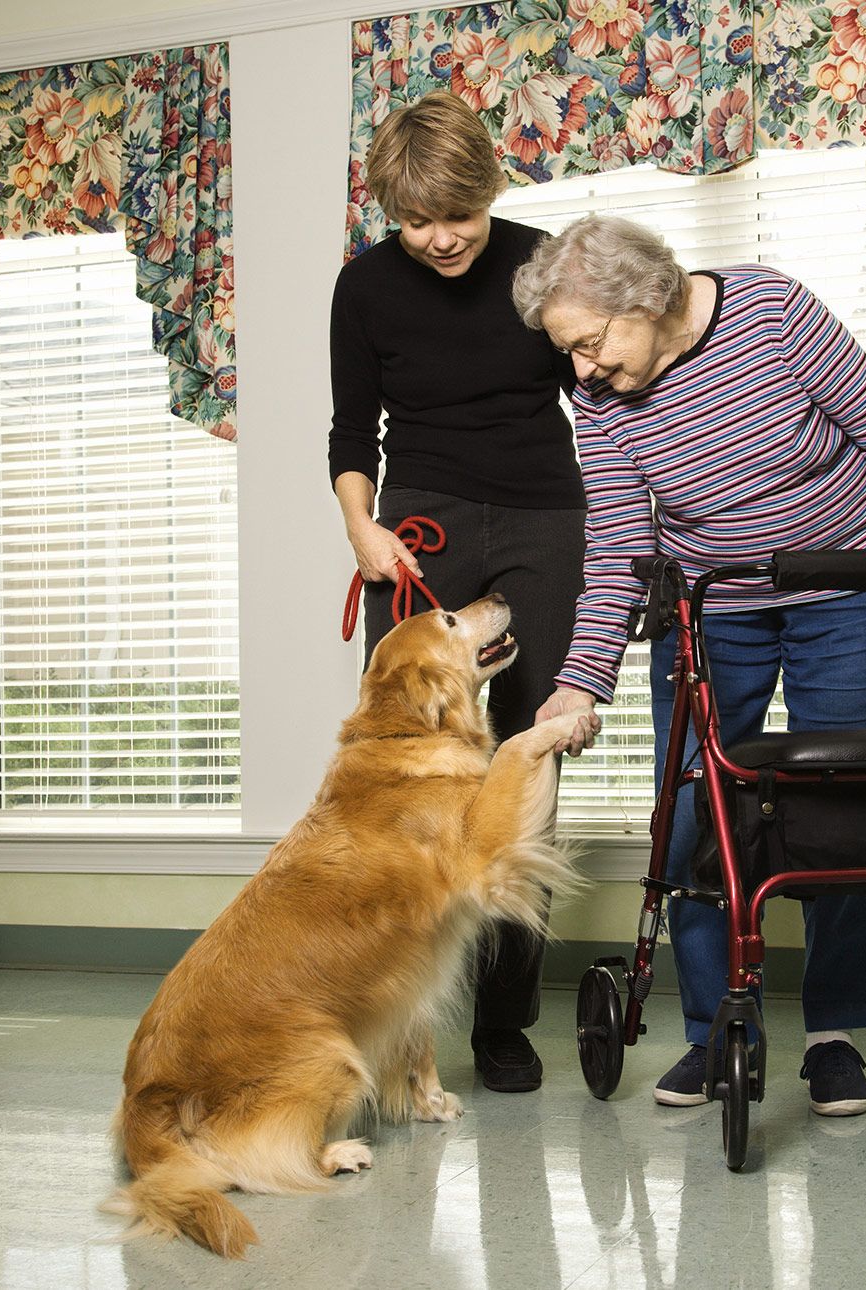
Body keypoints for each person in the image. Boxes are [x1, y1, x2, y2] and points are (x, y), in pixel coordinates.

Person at [512, 214, 866, 1114]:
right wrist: (577, 683)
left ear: (647, 299)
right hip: (714, 608)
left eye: (590, 344)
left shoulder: (773, 313)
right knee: (694, 807)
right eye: (570, 353)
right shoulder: (596, 400)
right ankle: (716, 1029)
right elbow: (620, 552)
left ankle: (835, 1034)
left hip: (853, 588)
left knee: (850, 807)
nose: (583, 370)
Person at [328, 92, 590, 1094]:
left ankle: (505, 1021)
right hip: (421, 526)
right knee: (406, 774)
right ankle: (398, 1024)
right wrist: (362, 527)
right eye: (417, 221)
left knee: (526, 771)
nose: (441, 240)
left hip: (543, 519)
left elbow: (600, 405)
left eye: (460, 217)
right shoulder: (363, 288)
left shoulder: (540, 266)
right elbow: (354, 432)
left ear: (491, 190)